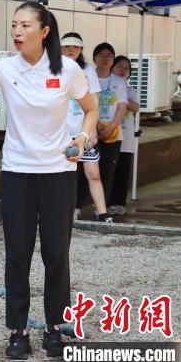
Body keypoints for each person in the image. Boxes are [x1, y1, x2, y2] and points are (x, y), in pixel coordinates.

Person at [0, 2, 97, 359]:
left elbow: (91, 109)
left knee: (56, 254)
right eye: (14, 25)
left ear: (44, 31)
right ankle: (17, 331)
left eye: (25, 25)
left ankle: (55, 329)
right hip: (18, 172)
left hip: (58, 174)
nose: (17, 32)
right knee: (17, 255)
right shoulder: (6, 67)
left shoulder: (67, 69)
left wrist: (81, 138)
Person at [60, 32, 111, 223]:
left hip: (84, 129)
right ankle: (64, 212)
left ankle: (103, 213)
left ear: (81, 49)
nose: (70, 50)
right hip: (61, 131)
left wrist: (92, 131)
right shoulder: (52, 68)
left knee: (93, 173)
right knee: (62, 174)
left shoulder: (88, 70)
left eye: (75, 46)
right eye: (66, 46)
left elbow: (95, 101)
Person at [92, 43, 128, 209]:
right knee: (89, 171)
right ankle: (77, 206)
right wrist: (97, 124)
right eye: (101, 55)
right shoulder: (88, 77)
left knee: (107, 172)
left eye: (109, 56)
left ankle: (102, 208)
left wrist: (112, 126)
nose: (105, 59)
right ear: (94, 58)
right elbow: (84, 105)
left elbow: (122, 106)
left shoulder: (119, 81)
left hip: (113, 134)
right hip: (91, 131)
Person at [110, 55, 140, 214]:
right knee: (108, 172)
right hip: (109, 135)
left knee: (122, 171)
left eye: (126, 68)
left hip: (127, 138)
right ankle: (106, 203)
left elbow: (136, 108)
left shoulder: (130, 90)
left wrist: (124, 99)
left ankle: (119, 203)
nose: (123, 70)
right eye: (119, 67)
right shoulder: (107, 87)